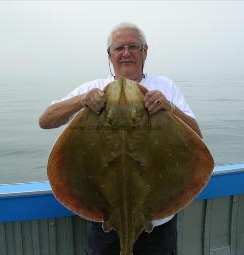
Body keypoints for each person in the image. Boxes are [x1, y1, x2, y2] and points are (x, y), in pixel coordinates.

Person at [39, 22, 202, 255]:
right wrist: (81, 101)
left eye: (133, 47)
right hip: (105, 221)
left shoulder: (165, 87)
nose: (126, 53)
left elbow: (197, 135)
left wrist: (169, 108)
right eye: (119, 48)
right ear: (110, 54)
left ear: (145, 51)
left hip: (157, 223)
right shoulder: (93, 88)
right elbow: (45, 120)